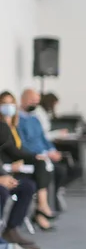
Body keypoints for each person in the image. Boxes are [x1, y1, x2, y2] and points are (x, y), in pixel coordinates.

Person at [0, 91, 56, 231]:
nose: (8, 107)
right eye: (4, 104)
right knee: (3, 191)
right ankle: (41, 208)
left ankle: (11, 229)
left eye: (10, 103)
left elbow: (15, 150)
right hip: (9, 166)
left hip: (9, 167)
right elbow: (11, 151)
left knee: (29, 185)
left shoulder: (13, 125)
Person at [18, 89, 67, 218]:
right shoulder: (18, 120)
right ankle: (42, 208)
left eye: (36, 102)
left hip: (43, 155)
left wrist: (51, 151)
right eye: (32, 101)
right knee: (45, 169)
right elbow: (23, 144)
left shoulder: (35, 119)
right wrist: (42, 154)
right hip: (31, 156)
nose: (34, 104)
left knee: (61, 169)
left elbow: (43, 139)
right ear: (23, 99)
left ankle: (47, 205)